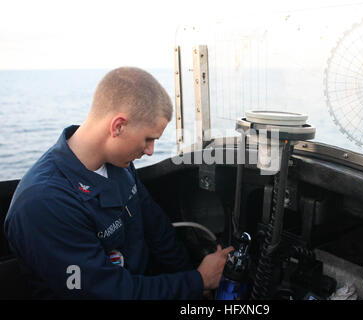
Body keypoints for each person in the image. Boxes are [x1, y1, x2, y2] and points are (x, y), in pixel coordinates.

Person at [4, 67, 234, 299]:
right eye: (148, 139)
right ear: (118, 126)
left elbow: (158, 230)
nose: (150, 151)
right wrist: (197, 281)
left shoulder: (119, 165)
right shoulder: (44, 203)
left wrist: (196, 285)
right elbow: (105, 292)